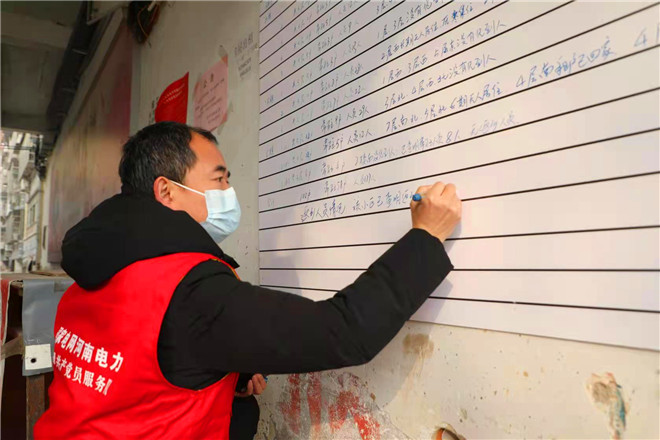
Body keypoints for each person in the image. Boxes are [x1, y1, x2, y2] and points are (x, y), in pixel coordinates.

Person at [34, 121, 461, 439]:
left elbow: (141, 366)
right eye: (218, 178)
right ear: (167, 192)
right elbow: (344, 331)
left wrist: (222, 373)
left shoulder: (95, 268)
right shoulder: (190, 290)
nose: (228, 191)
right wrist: (425, 237)